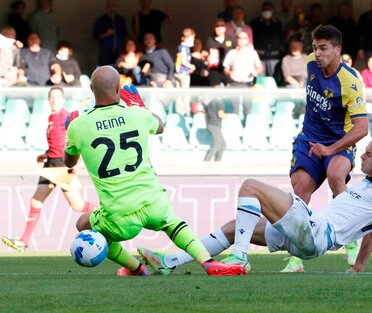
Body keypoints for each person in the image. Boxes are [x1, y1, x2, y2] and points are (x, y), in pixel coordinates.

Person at [138, 137, 372, 275]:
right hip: (308, 232)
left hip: (316, 232)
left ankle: (240, 258)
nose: (363, 157)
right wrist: (358, 267)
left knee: (250, 187)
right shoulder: (369, 185)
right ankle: (170, 263)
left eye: (368, 155)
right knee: (233, 228)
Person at [63, 66, 247, 277]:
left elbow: (69, 162)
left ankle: (136, 268)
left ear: (91, 89)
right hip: (154, 203)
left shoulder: (79, 125)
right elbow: (160, 127)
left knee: (83, 224)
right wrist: (141, 105)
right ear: (118, 88)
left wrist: (70, 133)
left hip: (118, 216)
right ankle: (208, 262)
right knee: (173, 223)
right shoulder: (137, 114)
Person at [282, 25, 369, 272]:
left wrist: (331, 149)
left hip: (338, 141)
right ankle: (297, 257)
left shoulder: (350, 82)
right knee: (300, 190)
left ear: (337, 50)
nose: (317, 54)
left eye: (323, 48)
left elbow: (362, 128)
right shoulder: (310, 63)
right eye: (315, 48)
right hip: (309, 137)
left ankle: (349, 241)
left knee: (335, 176)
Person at [2, 87, 97, 252]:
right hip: (51, 163)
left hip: (61, 165)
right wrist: (45, 155)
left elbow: (77, 138)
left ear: (63, 99)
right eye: (51, 97)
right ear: (48, 100)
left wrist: (80, 159)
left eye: (57, 97)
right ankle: (24, 241)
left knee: (77, 205)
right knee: (36, 201)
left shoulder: (66, 116)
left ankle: (105, 214)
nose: (54, 100)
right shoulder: (52, 117)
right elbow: (57, 142)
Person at [223, 31, 263, 116]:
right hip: (234, 84)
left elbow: (260, 67)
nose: (241, 40)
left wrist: (256, 71)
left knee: (248, 109)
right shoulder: (231, 53)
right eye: (239, 38)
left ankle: (247, 127)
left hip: (248, 84)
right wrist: (229, 72)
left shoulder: (252, 53)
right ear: (236, 39)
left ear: (247, 40)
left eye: (244, 38)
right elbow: (225, 68)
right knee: (234, 109)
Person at [249, 1, 283, 76]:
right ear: (261, 11)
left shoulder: (278, 23)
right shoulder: (254, 23)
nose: (266, 11)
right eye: (264, 9)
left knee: (274, 79)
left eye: (269, 9)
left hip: (274, 56)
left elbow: (281, 38)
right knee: (260, 79)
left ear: (273, 11)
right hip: (259, 56)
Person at [92, 0, 128, 66]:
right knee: (105, 72)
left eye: (113, 5)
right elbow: (95, 36)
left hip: (119, 52)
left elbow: (125, 35)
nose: (111, 7)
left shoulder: (120, 19)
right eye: (109, 5)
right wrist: (106, 34)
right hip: (105, 54)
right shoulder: (100, 20)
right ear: (106, 7)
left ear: (116, 7)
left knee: (119, 72)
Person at [205, 18, 236, 87]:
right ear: (214, 28)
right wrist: (207, 58)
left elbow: (237, 51)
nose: (219, 28)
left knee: (230, 92)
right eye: (217, 26)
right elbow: (204, 53)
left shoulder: (231, 39)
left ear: (225, 28)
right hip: (215, 71)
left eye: (221, 26)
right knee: (216, 93)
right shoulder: (210, 40)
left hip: (228, 70)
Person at [174, 28, 196, 116]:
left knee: (179, 94)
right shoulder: (184, 48)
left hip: (180, 72)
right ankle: (186, 112)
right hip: (183, 74)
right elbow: (183, 60)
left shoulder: (181, 47)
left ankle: (179, 112)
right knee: (185, 94)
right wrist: (191, 66)